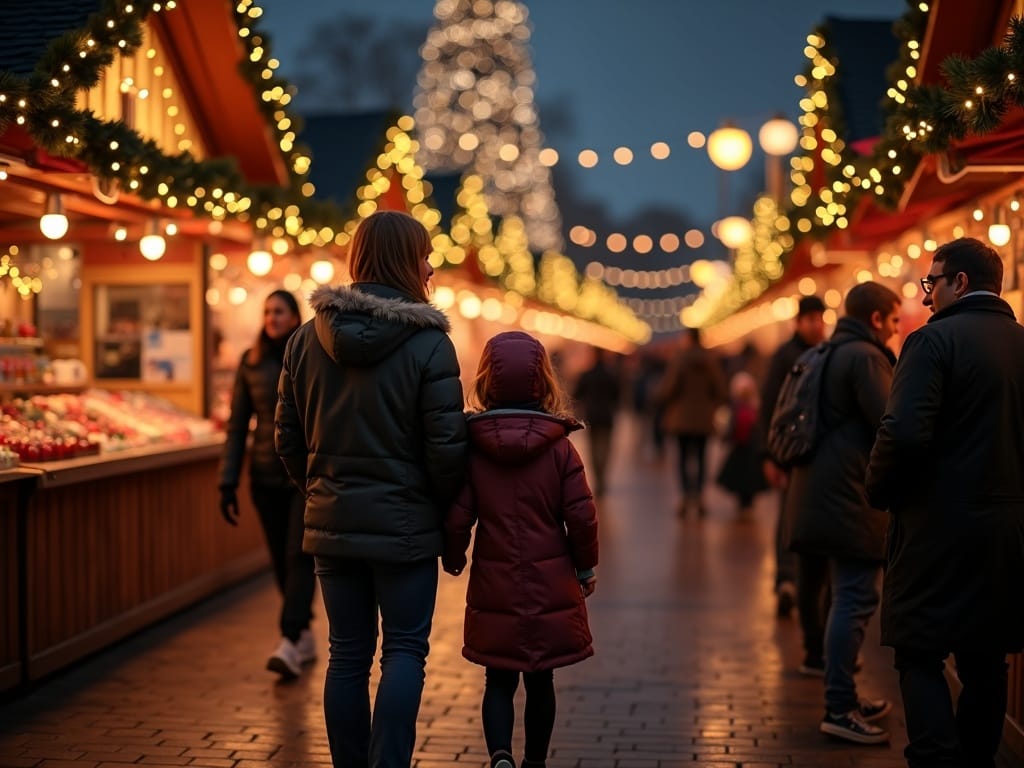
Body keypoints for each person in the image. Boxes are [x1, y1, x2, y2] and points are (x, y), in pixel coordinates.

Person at [275, 210, 468, 768]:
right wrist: (434, 505)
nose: (431, 266)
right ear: (407, 261)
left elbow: (287, 440)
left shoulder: (304, 340)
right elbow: (447, 448)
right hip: (405, 528)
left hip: (332, 528)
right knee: (405, 650)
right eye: (426, 255)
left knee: (346, 656)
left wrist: (320, 491)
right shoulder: (430, 344)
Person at [866, 237, 1024, 768]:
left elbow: (904, 430)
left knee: (919, 650)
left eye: (932, 283)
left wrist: (879, 490)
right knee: (986, 658)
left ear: (959, 282)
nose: (926, 296)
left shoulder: (931, 343)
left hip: (936, 525)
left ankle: (935, 759)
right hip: (1008, 528)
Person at [443, 331, 599, 768]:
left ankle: (499, 756)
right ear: (544, 380)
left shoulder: (475, 449)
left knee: (497, 678)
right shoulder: (560, 449)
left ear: (486, 379)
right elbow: (582, 517)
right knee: (540, 680)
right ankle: (534, 762)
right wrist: (585, 568)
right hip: (550, 580)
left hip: (495, 579)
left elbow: (459, 517)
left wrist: (454, 557)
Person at [784, 281, 900, 745]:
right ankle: (839, 705)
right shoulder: (865, 358)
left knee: (843, 597)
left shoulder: (829, 352)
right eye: (894, 321)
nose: (895, 331)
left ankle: (843, 695)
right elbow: (893, 423)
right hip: (849, 497)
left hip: (820, 494)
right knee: (853, 599)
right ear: (875, 319)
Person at [218, 289, 316, 679]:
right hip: (264, 476)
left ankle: (289, 640)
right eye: (267, 311)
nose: (272, 318)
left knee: (299, 555)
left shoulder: (309, 356)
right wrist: (227, 482)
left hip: (303, 477)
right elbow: (237, 423)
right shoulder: (251, 361)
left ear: (295, 317)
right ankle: (303, 630)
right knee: (279, 559)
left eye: (279, 311)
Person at [758, 295, 827, 619]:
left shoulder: (826, 353)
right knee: (787, 516)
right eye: (810, 319)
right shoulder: (785, 356)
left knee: (803, 517)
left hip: (814, 453)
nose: (817, 324)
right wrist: (770, 455)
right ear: (798, 322)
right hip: (788, 453)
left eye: (820, 318)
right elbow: (770, 405)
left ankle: (800, 581)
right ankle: (786, 579)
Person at [656, 327, 726, 517]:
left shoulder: (679, 359)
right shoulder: (711, 360)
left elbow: (668, 389)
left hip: (682, 419)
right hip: (704, 418)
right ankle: (700, 496)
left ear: (688, 339)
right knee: (702, 457)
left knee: (682, 458)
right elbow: (720, 389)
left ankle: (686, 496)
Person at [715, 371, 768, 519]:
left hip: (743, 448)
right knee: (747, 479)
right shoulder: (753, 407)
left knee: (743, 478)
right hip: (748, 448)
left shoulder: (739, 408)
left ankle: (745, 503)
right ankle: (746, 503)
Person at [572, 346, 621, 496]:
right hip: (607, 415)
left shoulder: (587, 375)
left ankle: (597, 477)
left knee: (593, 448)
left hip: (591, 415)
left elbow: (577, 394)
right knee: (605, 447)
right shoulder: (611, 374)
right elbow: (616, 395)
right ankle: (602, 477)